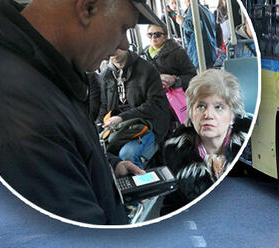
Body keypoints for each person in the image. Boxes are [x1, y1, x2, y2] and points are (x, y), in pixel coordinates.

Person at [0, 0, 163, 225]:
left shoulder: (43, 74)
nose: (123, 44)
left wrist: (108, 168)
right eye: (123, 28)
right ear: (87, 7)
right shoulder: (19, 112)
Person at [160, 69, 251, 213]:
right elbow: (170, 209)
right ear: (190, 112)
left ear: (233, 114)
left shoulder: (253, 149)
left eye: (218, 107)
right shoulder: (175, 154)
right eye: (201, 106)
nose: (208, 115)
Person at [98, 48, 171, 168]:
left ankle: (144, 185)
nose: (114, 52)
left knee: (128, 155)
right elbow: (104, 107)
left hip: (149, 124)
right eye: (111, 47)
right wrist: (97, 128)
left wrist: (122, 117)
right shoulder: (105, 76)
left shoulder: (147, 69)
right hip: (118, 128)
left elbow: (155, 104)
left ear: (125, 44)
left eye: (118, 47)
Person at [143, 24, 197, 91]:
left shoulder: (178, 52)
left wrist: (175, 80)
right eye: (150, 35)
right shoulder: (144, 55)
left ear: (165, 36)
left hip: (174, 96)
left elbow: (192, 76)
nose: (153, 37)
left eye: (157, 34)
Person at [176, 0, 217, 69]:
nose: (185, 2)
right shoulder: (206, 10)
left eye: (184, 0)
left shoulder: (193, 8)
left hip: (199, 53)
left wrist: (181, 21)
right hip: (211, 51)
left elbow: (194, 26)